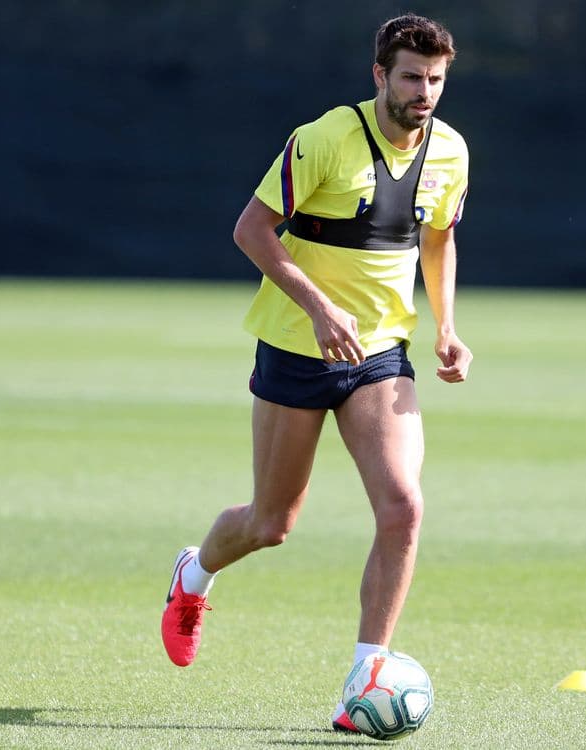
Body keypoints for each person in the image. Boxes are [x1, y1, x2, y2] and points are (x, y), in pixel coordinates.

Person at [160, 13, 471, 733]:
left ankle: (366, 673)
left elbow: (438, 238)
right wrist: (321, 307)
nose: (423, 92)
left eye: (435, 80)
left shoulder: (451, 152)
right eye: (410, 78)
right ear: (378, 76)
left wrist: (449, 328)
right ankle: (194, 575)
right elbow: (251, 230)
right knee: (270, 525)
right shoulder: (325, 139)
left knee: (404, 506)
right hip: (297, 350)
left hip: (380, 356)